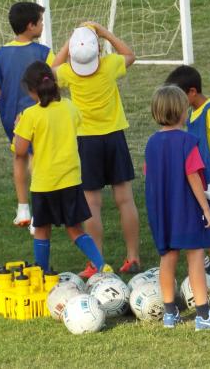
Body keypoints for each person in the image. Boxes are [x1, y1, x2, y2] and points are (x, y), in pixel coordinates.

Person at [52, 22, 140, 277]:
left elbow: (51, 70)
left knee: (92, 203)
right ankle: (133, 256)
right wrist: (104, 33)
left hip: (86, 142)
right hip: (114, 137)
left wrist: (70, 42)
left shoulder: (68, 72)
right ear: (99, 50)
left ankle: (96, 262)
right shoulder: (111, 65)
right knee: (125, 199)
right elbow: (130, 55)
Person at [145, 85, 210, 330]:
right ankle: (204, 316)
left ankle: (170, 314)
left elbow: (150, 176)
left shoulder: (151, 143)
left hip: (162, 210)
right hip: (186, 208)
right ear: (183, 112)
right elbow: (193, 176)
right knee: (195, 256)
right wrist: (206, 208)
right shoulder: (187, 141)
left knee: (168, 258)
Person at [13, 61, 112, 274]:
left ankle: (42, 271)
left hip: (44, 184)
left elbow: (20, 151)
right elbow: (74, 124)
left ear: (31, 90)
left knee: (41, 230)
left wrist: (17, 129)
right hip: (70, 180)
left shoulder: (30, 115)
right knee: (75, 229)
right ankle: (101, 265)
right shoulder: (69, 107)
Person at [165, 65, 210, 301]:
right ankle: (206, 264)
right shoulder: (192, 112)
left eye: (180, 97)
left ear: (192, 92)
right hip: (197, 181)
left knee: (209, 232)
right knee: (197, 226)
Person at [0, 1, 55, 232]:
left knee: (19, 156)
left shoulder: (0, 54)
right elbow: (53, 80)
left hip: (11, 115)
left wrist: (8, 97)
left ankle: (23, 208)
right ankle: (39, 214)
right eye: (40, 22)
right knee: (39, 161)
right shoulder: (42, 52)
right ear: (30, 25)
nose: (43, 26)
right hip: (38, 114)